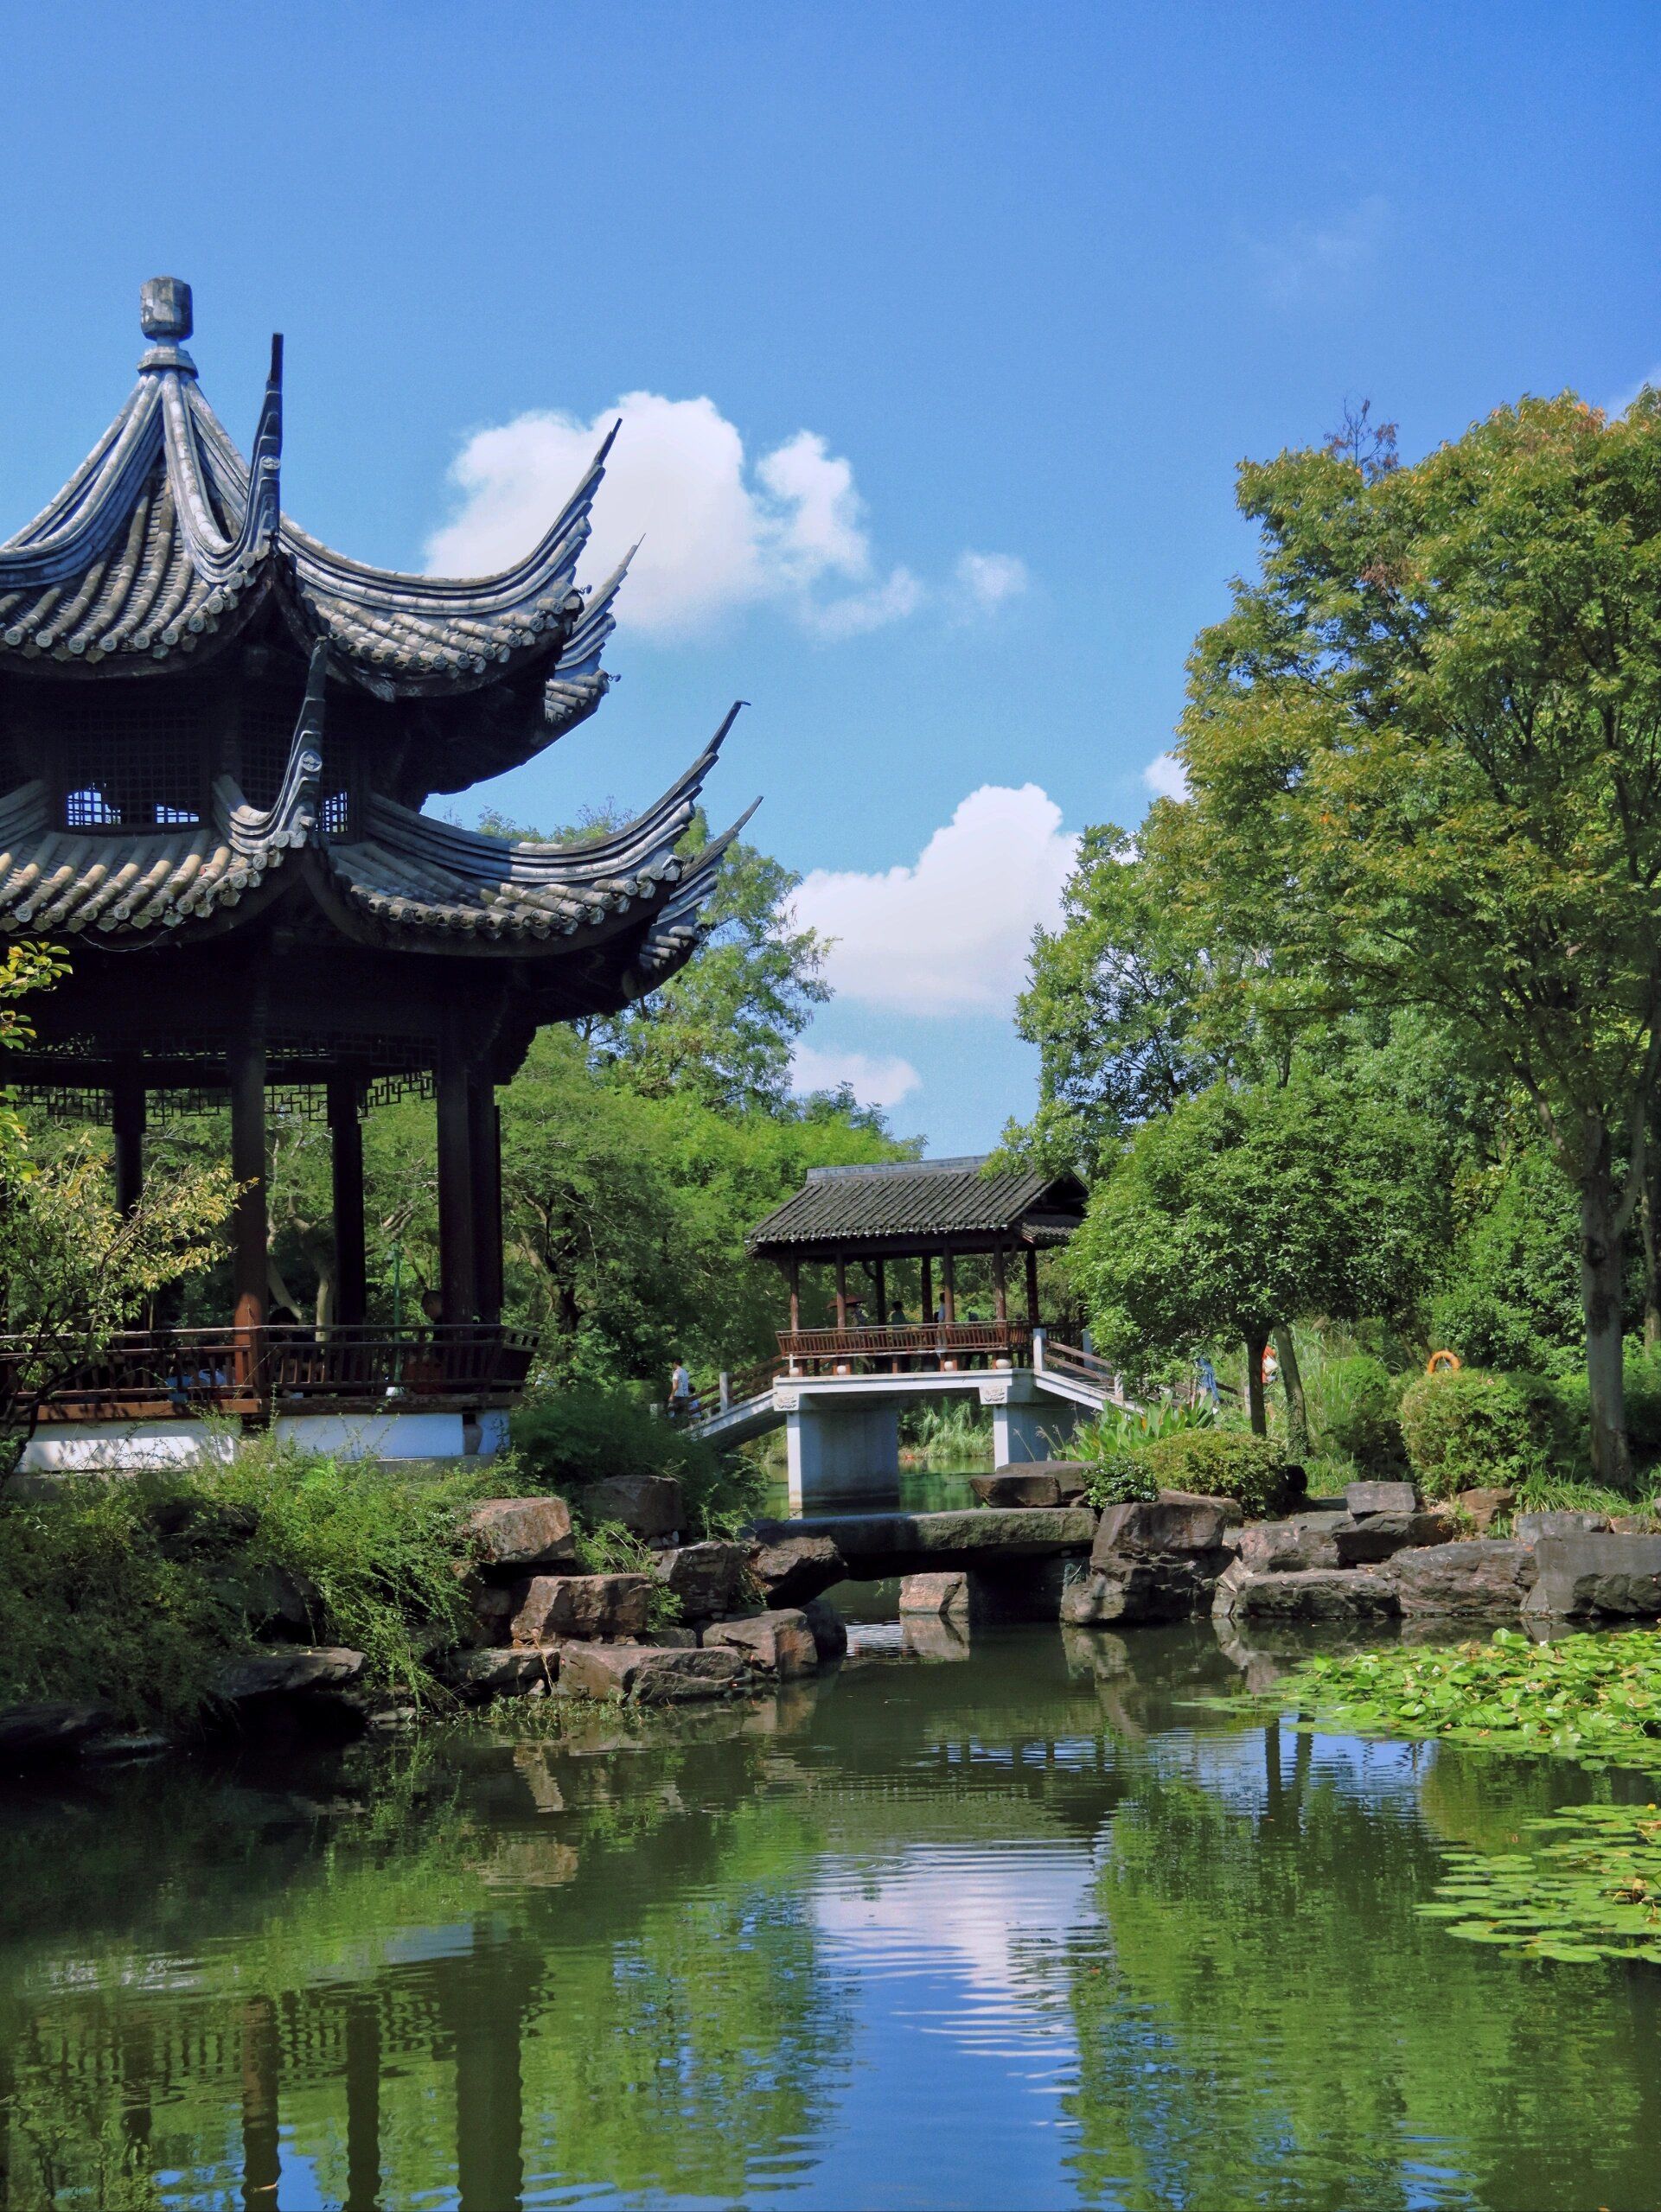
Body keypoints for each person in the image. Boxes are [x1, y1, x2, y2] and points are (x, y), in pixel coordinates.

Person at [669, 1357, 693, 1421]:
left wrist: (671, 1396)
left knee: (676, 1415)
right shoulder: (685, 1372)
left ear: (675, 1363)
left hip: (678, 1396)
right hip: (685, 1396)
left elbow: (675, 1386)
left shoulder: (676, 1373)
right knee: (684, 1415)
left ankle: (677, 1430)